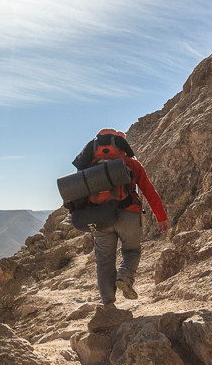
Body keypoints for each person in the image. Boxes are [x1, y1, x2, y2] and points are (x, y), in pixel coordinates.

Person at [72, 128, 169, 305]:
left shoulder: (89, 167)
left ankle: (108, 302)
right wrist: (161, 216)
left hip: (100, 217)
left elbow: (78, 194)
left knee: (104, 261)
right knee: (132, 251)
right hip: (128, 214)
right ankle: (124, 277)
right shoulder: (131, 164)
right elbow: (148, 190)